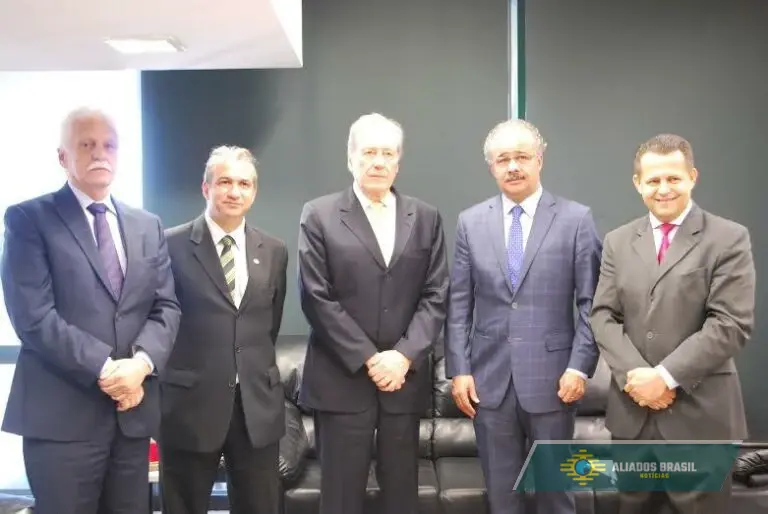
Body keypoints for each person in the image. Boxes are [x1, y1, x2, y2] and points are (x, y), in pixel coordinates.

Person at [0, 107, 181, 514]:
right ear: (63, 156)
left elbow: (166, 307)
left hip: (131, 416)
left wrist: (140, 365)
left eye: (109, 145)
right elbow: (33, 316)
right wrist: (108, 369)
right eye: (87, 144)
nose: (100, 153)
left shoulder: (147, 225)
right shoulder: (29, 219)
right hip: (62, 421)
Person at [590, 133, 755, 514]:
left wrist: (664, 377)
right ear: (638, 183)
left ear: (692, 177)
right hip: (633, 418)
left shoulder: (728, 238)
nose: (663, 189)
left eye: (673, 178)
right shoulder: (617, 241)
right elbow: (603, 315)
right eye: (653, 180)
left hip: (701, 419)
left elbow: (730, 323)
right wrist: (637, 378)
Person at [445, 119, 602, 514]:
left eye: (521, 157)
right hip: (489, 382)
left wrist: (579, 368)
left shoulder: (576, 219)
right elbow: (459, 303)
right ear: (491, 167)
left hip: (555, 380)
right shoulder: (470, 222)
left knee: (555, 495)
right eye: (503, 159)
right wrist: (459, 369)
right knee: (502, 496)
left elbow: (592, 303)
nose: (513, 166)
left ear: (539, 160)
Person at [297, 112, 449, 514]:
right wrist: (369, 357)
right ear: (350, 158)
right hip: (341, 379)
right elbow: (316, 296)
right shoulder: (319, 214)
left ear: (398, 161)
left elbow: (436, 294)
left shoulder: (426, 217)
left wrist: (402, 356)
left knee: (401, 496)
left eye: (387, 153)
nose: (378, 162)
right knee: (341, 498)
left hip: (403, 381)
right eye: (368, 152)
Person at [159, 146, 288, 514]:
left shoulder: (274, 250)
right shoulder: (170, 245)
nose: (234, 191)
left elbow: (269, 324)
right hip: (190, 405)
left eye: (244, 184)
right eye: (225, 182)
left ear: (254, 192)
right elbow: (160, 319)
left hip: (256, 406)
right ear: (206, 188)